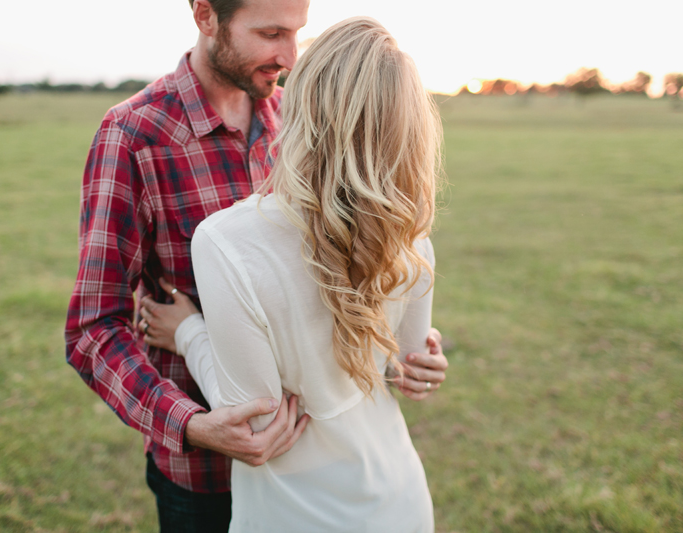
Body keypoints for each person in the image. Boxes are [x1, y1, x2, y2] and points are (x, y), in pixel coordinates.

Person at [65, 0, 447, 530]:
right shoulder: (133, 137)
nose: (289, 56)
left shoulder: (310, 118)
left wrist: (401, 351)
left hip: (326, 472)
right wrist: (193, 424)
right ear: (205, 16)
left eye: (297, 34)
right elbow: (93, 329)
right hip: (200, 473)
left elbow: (342, 292)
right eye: (270, 33)